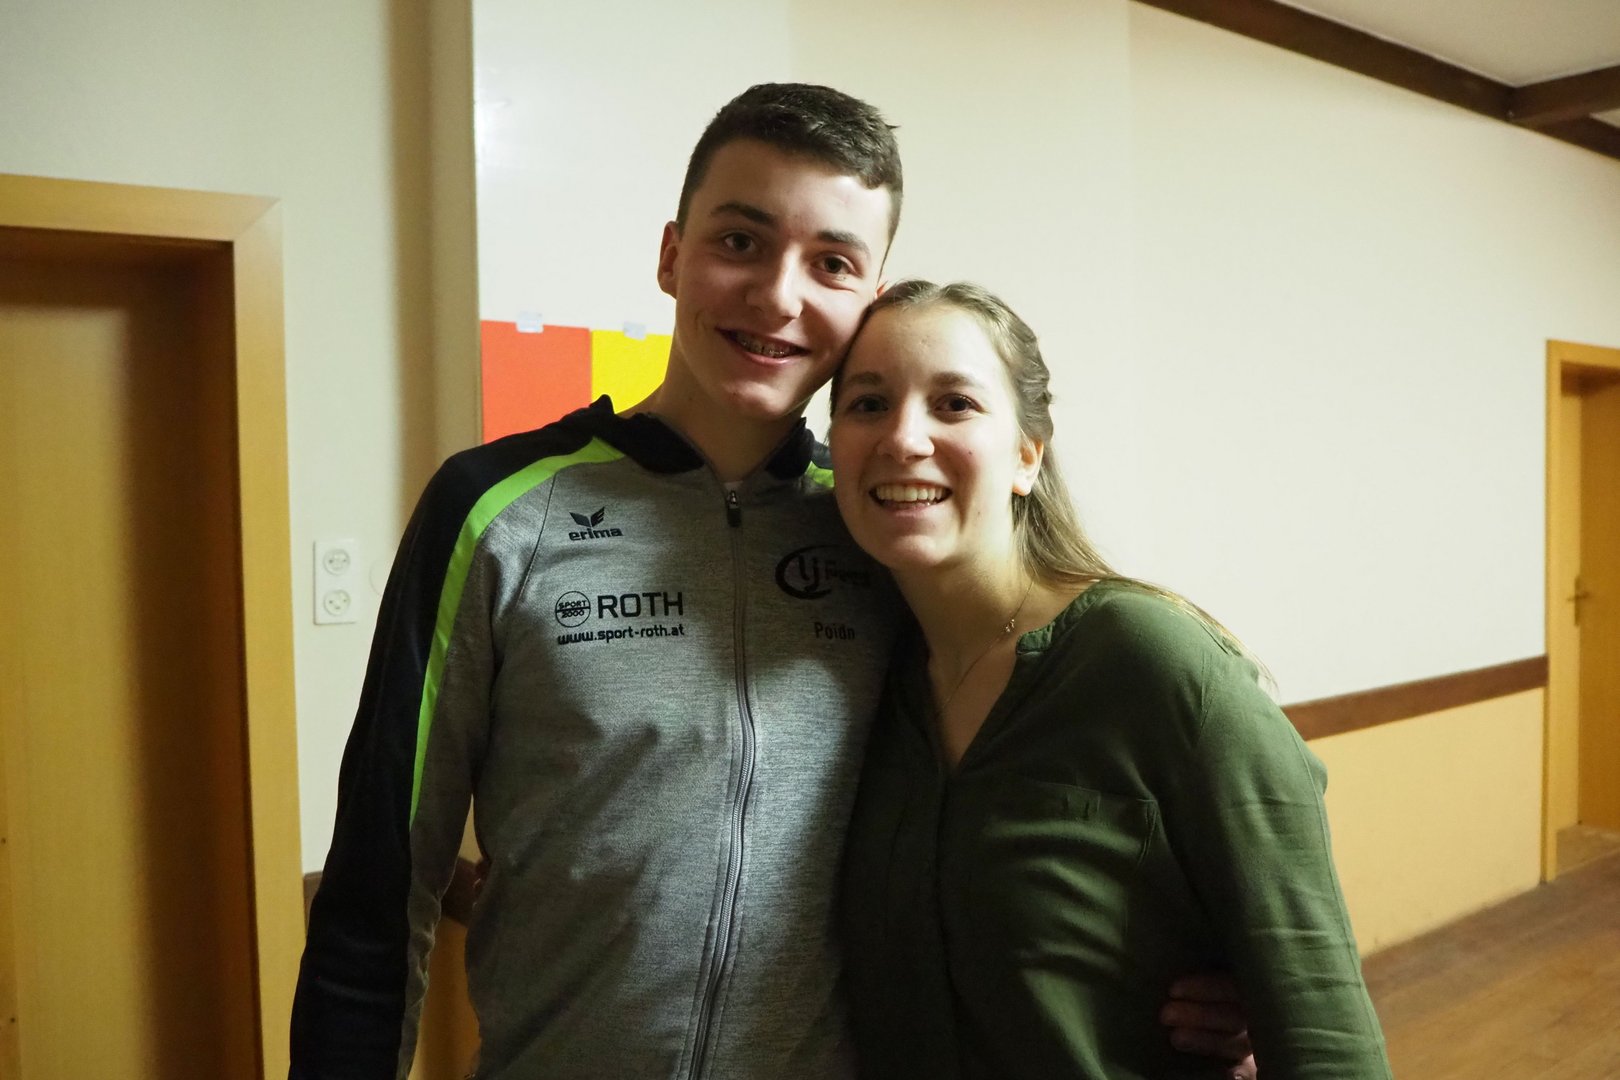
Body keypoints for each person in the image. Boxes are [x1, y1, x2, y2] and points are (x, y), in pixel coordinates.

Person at [290, 85, 1256, 1080]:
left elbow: (1025, 799)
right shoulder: (496, 510)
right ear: (673, 255)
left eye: (831, 262)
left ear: (870, 296)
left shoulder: (886, 529)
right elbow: (378, 890)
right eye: (740, 242)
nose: (780, 296)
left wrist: (1193, 968)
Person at [830, 280, 1393, 1078]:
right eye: (867, 404)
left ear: (1026, 454)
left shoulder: (1153, 663)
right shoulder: (861, 676)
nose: (903, 438)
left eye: (955, 404)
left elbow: (1325, 1035)